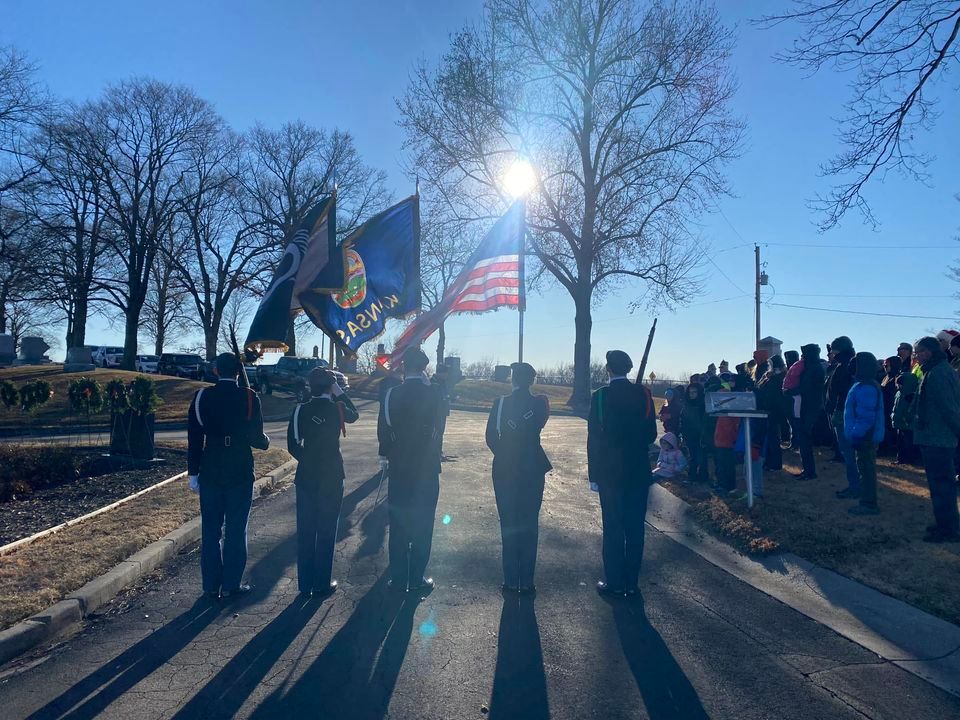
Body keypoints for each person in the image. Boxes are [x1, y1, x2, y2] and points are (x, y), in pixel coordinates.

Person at [187, 353, 270, 599]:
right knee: (236, 528)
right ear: (238, 372)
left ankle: (210, 585)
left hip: (210, 467)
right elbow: (258, 439)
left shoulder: (201, 397)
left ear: (215, 371)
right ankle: (231, 584)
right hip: (239, 468)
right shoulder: (249, 397)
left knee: (210, 529)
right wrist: (265, 440)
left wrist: (193, 472)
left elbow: (194, 438)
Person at [587, 350, 658, 597]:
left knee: (613, 527)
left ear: (608, 369)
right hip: (637, 470)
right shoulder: (644, 394)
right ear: (628, 369)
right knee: (635, 528)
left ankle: (614, 582)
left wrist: (593, 474)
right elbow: (651, 434)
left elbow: (594, 439)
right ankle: (631, 583)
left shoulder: (600, 397)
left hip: (609, 472)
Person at [286, 368, 359, 597]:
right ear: (330, 387)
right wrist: (339, 391)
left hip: (307, 475)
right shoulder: (338, 408)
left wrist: (308, 460)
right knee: (327, 529)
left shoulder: (300, 410)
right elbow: (355, 414)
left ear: (310, 386)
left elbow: (293, 444)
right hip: (332, 474)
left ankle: (305, 584)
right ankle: (322, 582)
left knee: (306, 529)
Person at [377, 347, 444, 592]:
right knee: (423, 523)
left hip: (400, 467)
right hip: (426, 467)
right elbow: (439, 430)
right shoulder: (435, 393)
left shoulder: (391, 394)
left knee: (398, 522)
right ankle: (416, 578)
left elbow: (383, 430)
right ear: (424, 367)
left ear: (404, 367)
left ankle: (398, 577)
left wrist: (386, 455)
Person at [485, 362, 551, 593]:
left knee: (508, 522)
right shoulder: (539, 404)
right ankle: (527, 580)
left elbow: (490, 437)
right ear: (532, 381)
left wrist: (505, 454)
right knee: (530, 522)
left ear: (512, 380)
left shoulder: (500, 403)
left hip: (505, 468)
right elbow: (541, 421)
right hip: (533, 467)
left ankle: (511, 579)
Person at [912, 337, 960, 542]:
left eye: (919, 352)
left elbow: (949, 408)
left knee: (942, 485)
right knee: (940, 484)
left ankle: (949, 529)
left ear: (930, 352)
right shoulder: (935, 370)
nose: (917, 356)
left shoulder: (939, 373)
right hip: (934, 436)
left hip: (938, 437)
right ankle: (945, 523)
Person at [843, 352, 885, 515]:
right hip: (864, 435)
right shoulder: (863, 384)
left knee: (866, 470)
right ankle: (867, 501)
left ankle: (868, 504)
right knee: (865, 468)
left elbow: (866, 416)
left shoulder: (866, 387)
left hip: (865, 436)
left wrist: (856, 434)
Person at [825, 337, 860, 497]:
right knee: (850, 453)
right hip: (845, 412)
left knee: (849, 453)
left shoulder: (844, 366)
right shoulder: (850, 364)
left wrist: (833, 406)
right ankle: (855, 485)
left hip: (843, 413)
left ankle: (855, 487)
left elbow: (839, 391)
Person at [791, 344, 825, 480]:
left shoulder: (813, 369)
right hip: (808, 406)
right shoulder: (813, 367)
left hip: (809, 407)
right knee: (803, 439)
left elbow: (806, 388)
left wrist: (791, 391)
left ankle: (810, 471)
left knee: (805, 439)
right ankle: (807, 469)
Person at [755, 355, 786, 471]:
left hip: (773, 411)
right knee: (769, 437)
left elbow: (772, 395)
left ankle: (775, 464)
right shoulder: (771, 376)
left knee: (773, 438)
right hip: (769, 410)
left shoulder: (777, 378)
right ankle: (769, 462)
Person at [680, 382, 707, 482]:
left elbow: (705, 421)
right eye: (690, 392)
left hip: (700, 435)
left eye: (694, 392)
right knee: (692, 456)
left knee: (701, 457)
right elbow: (683, 420)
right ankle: (692, 476)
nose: (692, 395)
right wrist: (683, 433)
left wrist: (702, 433)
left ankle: (702, 477)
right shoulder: (686, 404)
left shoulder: (703, 405)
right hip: (689, 434)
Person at [892, 370, 920, 466]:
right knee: (900, 442)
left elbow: (911, 410)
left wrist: (907, 418)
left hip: (907, 423)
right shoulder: (899, 393)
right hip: (899, 421)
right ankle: (900, 458)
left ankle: (909, 459)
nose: (898, 386)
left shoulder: (911, 396)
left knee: (908, 442)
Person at [879, 357, 902, 455]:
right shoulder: (885, 377)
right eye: (884, 365)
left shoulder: (897, 377)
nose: (885, 367)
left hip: (891, 406)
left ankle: (891, 448)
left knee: (891, 428)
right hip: (884, 406)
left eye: (887, 365)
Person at [432, 364, 453, 460]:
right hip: (435, 412)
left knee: (440, 432)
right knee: (436, 433)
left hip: (442, 412)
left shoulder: (443, 382)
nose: (447, 375)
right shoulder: (433, 382)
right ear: (441, 373)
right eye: (446, 373)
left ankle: (439, 451)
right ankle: (435, 452)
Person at [783, 350, 801, 449]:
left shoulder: (798, 368)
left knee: (795, 422)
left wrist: (790, 391)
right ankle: (794, 442)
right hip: (789, 398)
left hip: (796, 397)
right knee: (791, 421)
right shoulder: (790, 369)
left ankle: (796, 442)